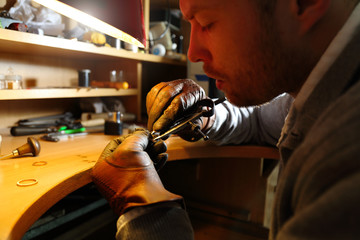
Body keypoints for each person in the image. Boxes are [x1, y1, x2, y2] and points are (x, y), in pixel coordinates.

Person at [91, 0, 360, 239]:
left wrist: (146, 207)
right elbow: (259, 121)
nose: (192, 53)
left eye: (207, 22)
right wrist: (204, 117)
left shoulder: (345, 154)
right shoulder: (313, 92)